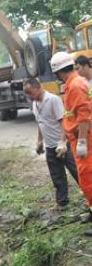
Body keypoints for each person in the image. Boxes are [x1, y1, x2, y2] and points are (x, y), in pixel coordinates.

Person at [50, 51, 92, 223]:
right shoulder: (75, 83)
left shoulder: (75, 85)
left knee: (88, 177)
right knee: (86, 177)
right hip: (79, 138)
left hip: (85, 139)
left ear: (57, 72)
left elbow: (84, 115)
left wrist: (82, 141)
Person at [24, 78, 78, 209]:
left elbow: (63, 122)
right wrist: (39, 141)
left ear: (38, 88)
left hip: (64, 146)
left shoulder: (53, 100)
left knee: (78, 172)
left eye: (31, 93)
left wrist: (63, 142)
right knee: (57, 176)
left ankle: (90, 196)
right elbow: (40, 123)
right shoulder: (35, 104)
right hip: (50, 147)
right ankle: (62, 203)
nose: (30, 97)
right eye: (28, 94)